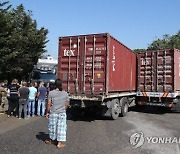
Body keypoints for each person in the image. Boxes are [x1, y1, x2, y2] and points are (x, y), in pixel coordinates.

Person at [45, 79, 69, 148]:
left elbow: (49, 103)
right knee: (61, 127)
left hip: (53, 112)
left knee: (52, 126)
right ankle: (59, 143)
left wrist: (47, 112)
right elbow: (67, 104)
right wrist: (63, 109)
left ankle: (51, 139)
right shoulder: (65, 93)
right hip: (62, 113)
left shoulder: (51, 93)